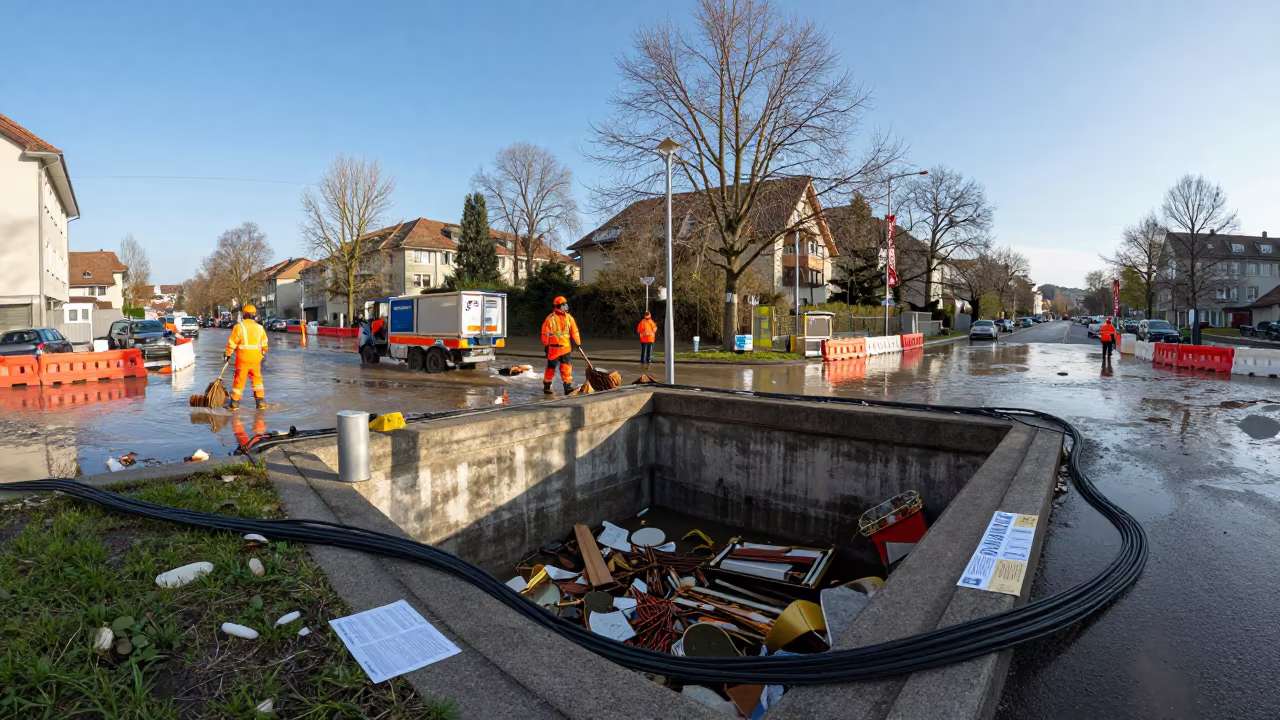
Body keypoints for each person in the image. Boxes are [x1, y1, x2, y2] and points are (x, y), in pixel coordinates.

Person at [225, 304, 270, 409]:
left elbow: (232, 343)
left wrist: (227, 354)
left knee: (239, 380)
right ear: (254, 315)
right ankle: (260, 402)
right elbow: (265, 345)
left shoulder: (239, 327)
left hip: (243, 359)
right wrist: (262, 353)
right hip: (256, 359)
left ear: (244, 314)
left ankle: (235, 403)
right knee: (257, 380)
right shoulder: (260, 328)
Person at [540, 295, 580, 395]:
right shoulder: (569, 318)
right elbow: (574, 332)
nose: (566, 306)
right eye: (564, 304)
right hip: (564, 348)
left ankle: (547, 386)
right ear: (560, 306)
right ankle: (567, 388)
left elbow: (545, 333)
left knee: (551, 368)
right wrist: (578, 343)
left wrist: (546, 345)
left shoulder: (550, 318)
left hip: (554, 348)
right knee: (566, 368)